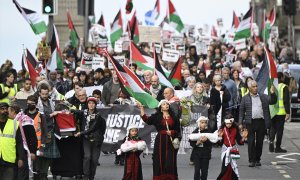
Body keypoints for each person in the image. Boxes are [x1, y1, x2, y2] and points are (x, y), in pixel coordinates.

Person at [138, 99, 181, 180]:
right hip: (160, 140)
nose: (166, 105)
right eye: (164, 104)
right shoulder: (157, 116)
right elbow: (146, 119)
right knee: (159, 159)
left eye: (167, 104)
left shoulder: (174, 117)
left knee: (170, 160)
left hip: (170, 141)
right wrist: (141, 109)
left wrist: (172, 132)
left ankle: (170, 178)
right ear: (161, 107)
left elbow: (178, 129)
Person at [239, 80, 277, 167]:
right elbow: (241, 111)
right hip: (250, 122)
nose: (255, 88)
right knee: (251, 142)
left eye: (256, 86)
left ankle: (257, 159)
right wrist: (240, 123)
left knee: (260, 142)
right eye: (253, 87)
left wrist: (272, 93)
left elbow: (273, 101)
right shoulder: (245, 98)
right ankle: (251, 160)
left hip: (261, 122)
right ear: (249, 88)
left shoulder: (263, 96)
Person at [73, 96, 106, 180]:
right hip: (86, 139)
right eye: (89, 103)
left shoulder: (98, 116)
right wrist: (66, 109)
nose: (91, 105)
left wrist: (81, 133)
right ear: (87, 104)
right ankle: (86, 176)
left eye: (93, 103)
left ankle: (91, 176)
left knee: (94, 159)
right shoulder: (83, 113)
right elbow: (75, 111)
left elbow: (93, 128)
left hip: (96, 140)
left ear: (95, 105)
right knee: (87, 157)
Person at [36, 83, 61, 179]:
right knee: (40, 155)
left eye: (46, 94)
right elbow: (39, 117)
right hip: (40, 132)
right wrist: (52, 114)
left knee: (48, 156)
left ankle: (44, 174)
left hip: (50, 131)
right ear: (39, 93)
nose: (45, 96)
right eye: (43, 94)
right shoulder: (37, 103)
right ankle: (39, 175)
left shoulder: (51, 102)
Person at [8, 104, 37, 180]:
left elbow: (33, 138)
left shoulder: (26, 121)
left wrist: (33, 151)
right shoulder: (12, 122)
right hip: (13, 152)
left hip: (23, 152)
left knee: (22, 175)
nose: (7, 114)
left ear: (13, 111)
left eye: (8, 112)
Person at [217, 114, 247, 180]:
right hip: (225, 150)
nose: (228, 125)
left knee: (233, 167)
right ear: (225, 123)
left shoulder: (235, 129)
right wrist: (219, 137)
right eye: (227, 123)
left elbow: (239, 142)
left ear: (232, 122)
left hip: (233, 150)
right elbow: (219, 143)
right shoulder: (222, 129)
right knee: (225, 167)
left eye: (230, 123)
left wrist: (243, 138)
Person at [0, 102, 24, 180]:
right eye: (2, 109)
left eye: (6, 109)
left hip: (10, 161)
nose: (5, 111)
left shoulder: (15, 124)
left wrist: (21, 158)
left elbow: (20, 142)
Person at [269, 72, 290, 153]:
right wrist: (287, 112)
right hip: (281, 112)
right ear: (281, 78)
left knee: (273, 128)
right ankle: (277, 147)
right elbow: (286, 101)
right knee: (279, 130)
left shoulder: (272, 87)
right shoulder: (284, 87)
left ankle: (271, 143)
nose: (284, 78)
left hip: (273, 111)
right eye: (283, 77)